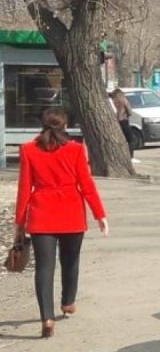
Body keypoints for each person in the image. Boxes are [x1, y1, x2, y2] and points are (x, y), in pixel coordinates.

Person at [14, 108, 109, 339]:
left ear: (42, 125)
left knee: (44, 268)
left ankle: (46, 317)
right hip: (71, 213)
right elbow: (86, 185)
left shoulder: (28, 150)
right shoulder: (76, 150)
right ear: (64, 126)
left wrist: (19, 222)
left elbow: (24, 188)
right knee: (70, 261)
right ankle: (67, 302)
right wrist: (100, 215)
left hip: (41, 214)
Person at [110, 88, 139, 164]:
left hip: (117, 121)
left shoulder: (114, 101)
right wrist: (128, 115)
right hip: (124, 120)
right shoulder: (123, 99)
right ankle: (130, 157)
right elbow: (129, 110)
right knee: (131, 139)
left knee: (122, 139)